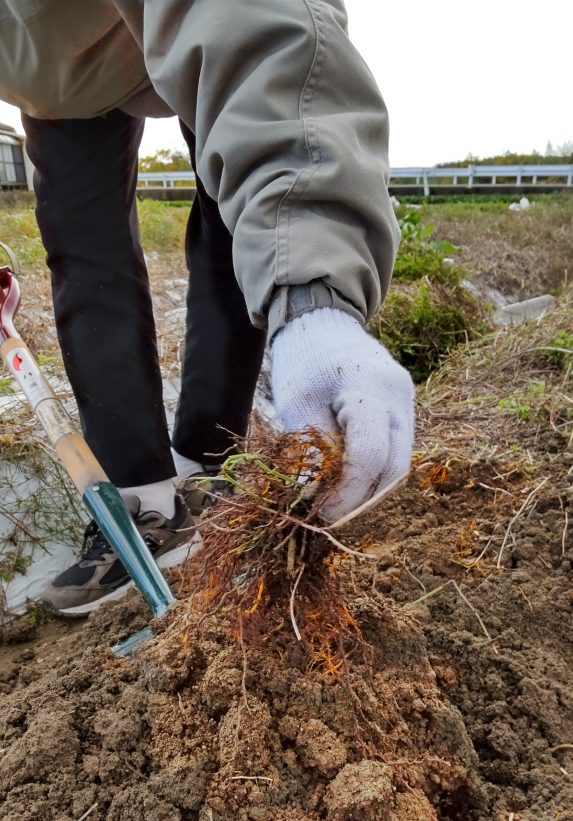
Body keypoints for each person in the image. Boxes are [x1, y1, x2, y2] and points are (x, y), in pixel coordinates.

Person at [0, 0, 414, 616]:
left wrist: (313, 300)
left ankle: (206, 464)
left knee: (229, 210)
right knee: (81, 249)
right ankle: (144, 505)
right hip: (53, 85)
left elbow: (264, 43)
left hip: (191, 28)